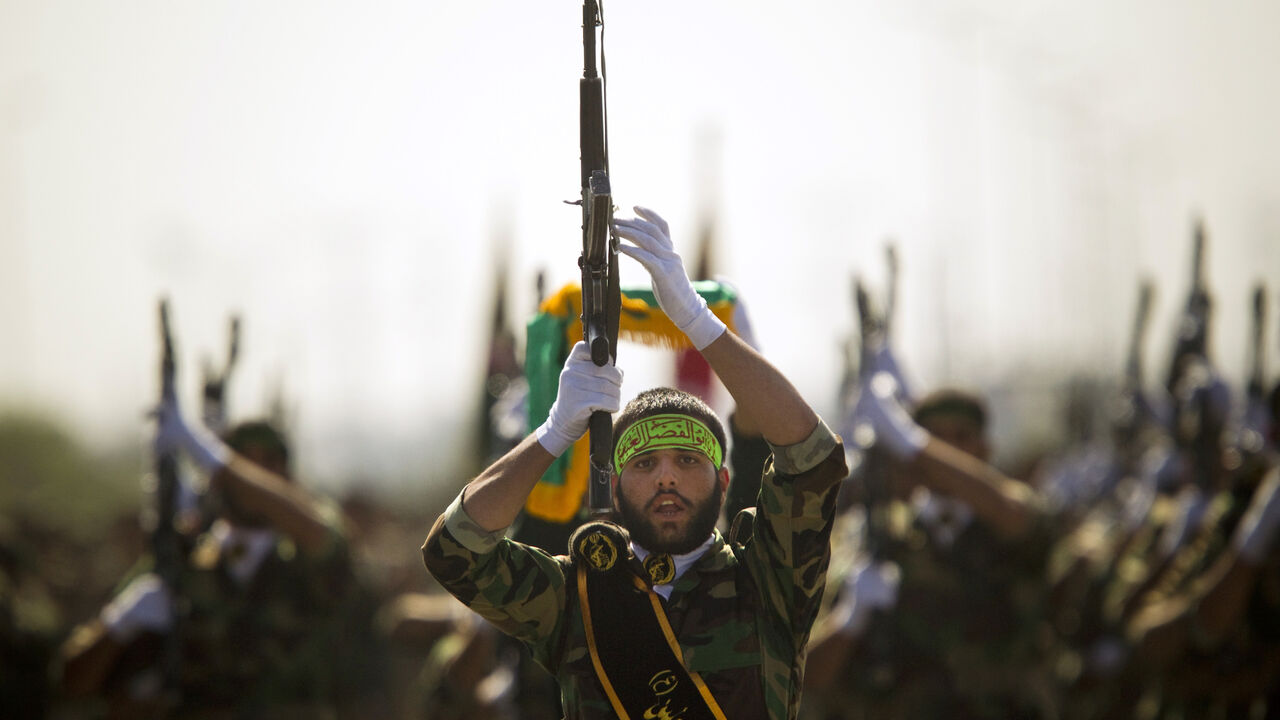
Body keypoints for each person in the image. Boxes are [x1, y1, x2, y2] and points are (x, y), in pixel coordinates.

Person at [422, 206, 848, 720]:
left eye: (687, 459)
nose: (666, 476)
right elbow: (456, 551)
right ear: (615, 488)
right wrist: (554, 433)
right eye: (644, 465)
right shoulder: (577, 598)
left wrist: (697, 322)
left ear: (723, 481)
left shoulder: (767, 581)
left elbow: (811, 458)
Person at [58, 386, 377, 719]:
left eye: (269, 462)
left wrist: (210, 455)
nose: (255, 474)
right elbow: (72, 683)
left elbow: (318, 532)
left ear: (287, 477)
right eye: (244, 460)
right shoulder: (183, 563)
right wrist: (121, 624)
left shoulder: (304, 553)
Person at [804, 374, 1059, 719]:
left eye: (961, 437)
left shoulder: (1008, 520)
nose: (946, 449)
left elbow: (1015, 512)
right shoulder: (878, 537)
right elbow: (809, 677)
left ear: (985, 449)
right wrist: (849, 619)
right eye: (934, 436)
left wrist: (912, 441)